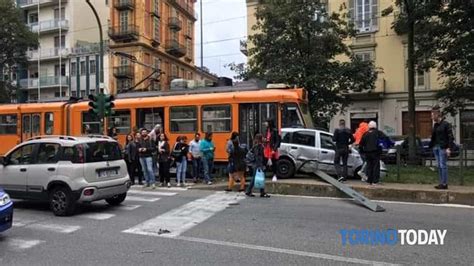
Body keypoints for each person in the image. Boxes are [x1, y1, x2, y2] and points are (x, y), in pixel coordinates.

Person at [429, 106, 454, 190]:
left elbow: (450, 137)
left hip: (443, 147)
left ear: (437, 115)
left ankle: (444, 183)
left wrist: (448, 148)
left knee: (443, 165)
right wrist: (431, 145)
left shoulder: (446, 124)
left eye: (432, 115)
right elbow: (434, 137)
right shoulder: (435, 125)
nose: (431, 117)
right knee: (439, 165)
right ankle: (440, 182)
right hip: (436, 147)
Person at [246, 134, 270, 198]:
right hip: (258, 164)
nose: (263, 139)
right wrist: (261, 165)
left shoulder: (255, 145)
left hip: (256, 164)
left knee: (257, 178)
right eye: (262, 138)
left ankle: (260, 192)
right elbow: (258, 157)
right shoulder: (259, 146)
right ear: (260, 139)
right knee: (258, 178)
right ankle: (251, 191)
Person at [360, 121, 382, 185]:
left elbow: (361, 144)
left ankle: (369, 180)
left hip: (367, 153)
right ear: (375, 126)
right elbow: (385, 139)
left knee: (369, 166)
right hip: (376, 152)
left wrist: (362, 151)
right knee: (376, 166)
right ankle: (375, 181)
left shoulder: (365, 134)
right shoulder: (378, 133)